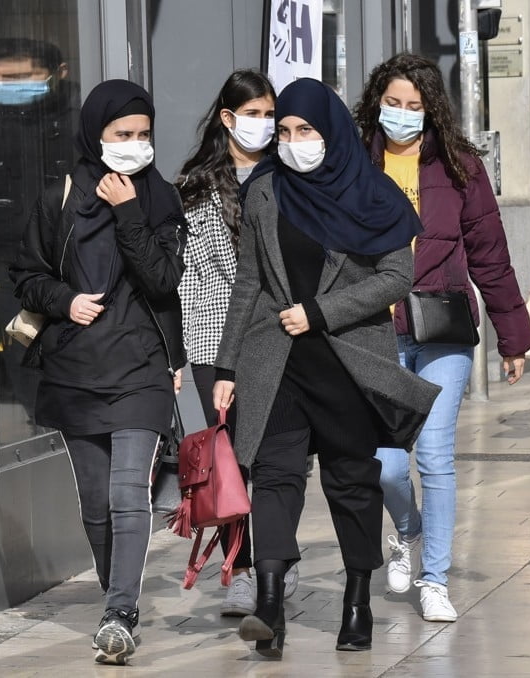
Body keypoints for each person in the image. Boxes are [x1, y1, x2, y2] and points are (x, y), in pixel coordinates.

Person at [211, 78, 440, 657]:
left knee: (350, 481)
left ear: (331, 132)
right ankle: (268, 602)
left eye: (305, 131)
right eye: (284, 131)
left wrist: (319, 312)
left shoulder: (377, 194)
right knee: (274, 472)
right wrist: (227, 366)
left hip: (347, 357)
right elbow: (249, 282)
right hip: (276, 358)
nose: (292, 142)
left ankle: (357, 597)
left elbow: (396, 279)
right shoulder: (266, 188)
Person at [10, 80, 187, 665]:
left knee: (126, 492)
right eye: (122, 135)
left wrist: (128, 210)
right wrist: (65, 302)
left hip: (141, 368)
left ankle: (120, 612)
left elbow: (163, 280)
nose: (135, 145)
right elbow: (27, 274)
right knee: (93, 503)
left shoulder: (160, 198)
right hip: (75, 367)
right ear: (96, 135)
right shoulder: (58, 196)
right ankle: (119, 594)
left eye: (144, 135)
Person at [353, 53, 530, 621]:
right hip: (376, 333)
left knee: (434, 457)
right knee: (383, 464)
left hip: (441, 329)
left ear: (432, 111)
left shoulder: (460, 166)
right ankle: (406, 530)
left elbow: (490, 253)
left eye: (414, 106)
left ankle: (435, 578)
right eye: (393, 104)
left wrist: (513, 337)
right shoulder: (354, 160)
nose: (403, 115)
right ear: (377, 103)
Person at [175, 69, 302, 617]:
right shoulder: (197, 186)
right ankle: (244, 568)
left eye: (269, 114)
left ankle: (276, 556)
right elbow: (187, 277)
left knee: (279, 455)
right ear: (227, 119)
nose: (264, 125)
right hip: (211, 340)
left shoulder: (289, 176)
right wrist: (179, 354)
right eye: (252, 114)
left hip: (275, 335)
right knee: (228, 458)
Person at [0, 38, 81, 422]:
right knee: (25, 371)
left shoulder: (80, 126)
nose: (2, 87)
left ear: (58, 75)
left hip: (71, 270)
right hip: (5, 267)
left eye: (17, 77)